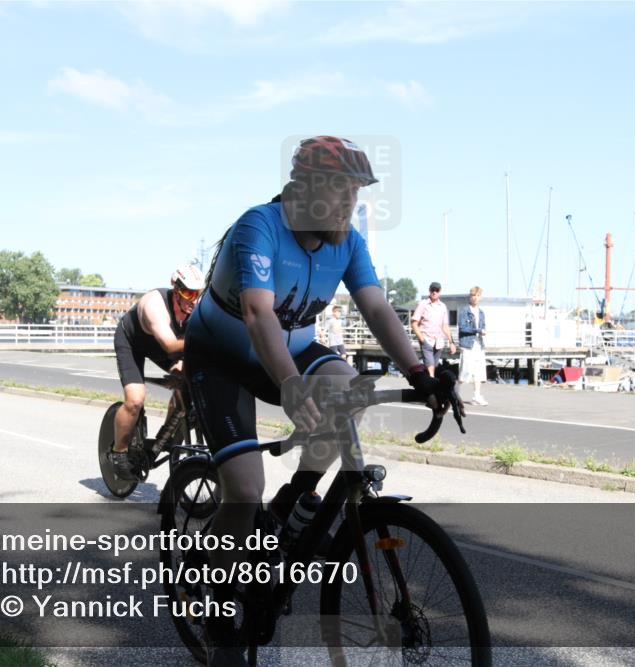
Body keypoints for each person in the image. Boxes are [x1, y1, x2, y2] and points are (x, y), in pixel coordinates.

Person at [184, 136, 441, 666]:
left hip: (290, 348)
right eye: (343, 193)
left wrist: (421, 370)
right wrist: (289, 384)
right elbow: (258, 316)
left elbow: (377, 310)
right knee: (245, 486)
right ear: (305, 189)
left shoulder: (347, 240)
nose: (352, 206)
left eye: (357, 194)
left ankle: (294, 506)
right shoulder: (260, 226)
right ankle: (218, 610)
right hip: (222, 355)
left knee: (348, 388)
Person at [109, 264, 205, 480]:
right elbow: (171, 345)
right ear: (175, 288)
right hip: (134, 342)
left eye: (197, 293)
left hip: (164, 347)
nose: (193, 300)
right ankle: (119, 453)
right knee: (135, 400)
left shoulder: (195, 307)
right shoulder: (155, 304)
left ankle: (166, 435)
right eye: (188, 292)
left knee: (187, 379)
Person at [411, 281, 456, 376]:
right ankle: (431, 386)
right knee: (430, 366)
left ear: (440, 292)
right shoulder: (423, 304)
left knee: (433, 366)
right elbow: (414, 323)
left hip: (439, 342)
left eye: (437, 290)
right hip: (426, 340)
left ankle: (428, 385)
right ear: (429, 290)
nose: (434, 292)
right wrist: (422, 339)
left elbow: (445, 326)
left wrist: (451, 343)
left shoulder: (443, 307)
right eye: (432, 290)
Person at [458, 286, 488, 405]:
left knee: (479, 371)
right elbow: (462, 328)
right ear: (470, 297)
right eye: (473, 296)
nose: (475, 298)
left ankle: (477, 395)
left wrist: (483, 330)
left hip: (479, 344)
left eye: (477, 296)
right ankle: (454, 392)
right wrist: (478, 330)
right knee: (465, 370)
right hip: (467, 344)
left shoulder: (481, 312)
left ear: (480, 297)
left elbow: (483, 326)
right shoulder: (465, 310)